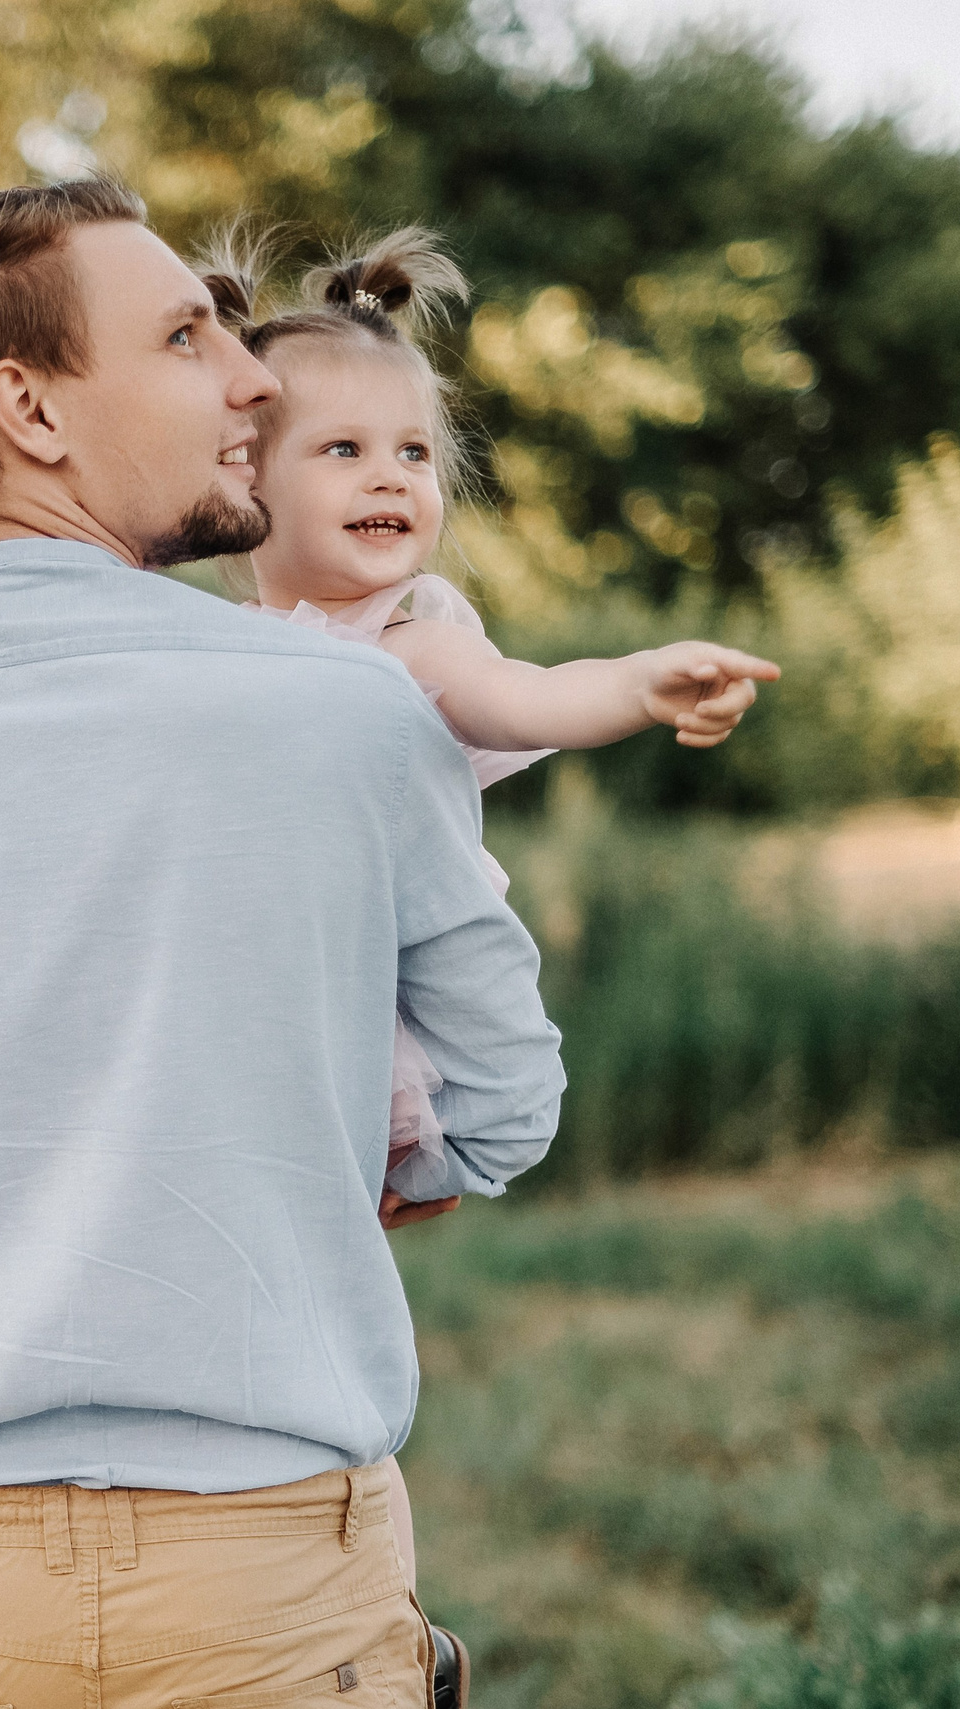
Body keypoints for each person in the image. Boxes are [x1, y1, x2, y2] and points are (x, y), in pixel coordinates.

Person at [0, 175, 562, 1709]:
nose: (252, 378)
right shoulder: (351, 712)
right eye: (184, 338)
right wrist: (294, 1188)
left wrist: (2, 1244)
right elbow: (503, 1104)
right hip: (279, 1590)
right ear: (28, 406)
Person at [203, 225, 778, 1589]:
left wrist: (632, 685)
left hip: (392, 1004)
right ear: (246, 480)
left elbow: (521, 697)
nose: (389, 478)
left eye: (412, 454)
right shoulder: (222, 651)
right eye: (340, 452)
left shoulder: (408, 631)